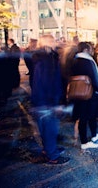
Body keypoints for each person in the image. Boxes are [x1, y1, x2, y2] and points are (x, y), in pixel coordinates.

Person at [30, 34, 69, 165]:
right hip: (47, 101)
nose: (56, 43)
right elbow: (50, 82)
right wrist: (55, 102)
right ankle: (53, 156)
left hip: (40, 99)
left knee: (45, 127)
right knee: (50, 128)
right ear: (48, 43)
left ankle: (48, 150)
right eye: (53, 41)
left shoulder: (41, 57)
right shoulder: (47, 60)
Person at [71, 42, 98, 149]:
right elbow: (94, 77)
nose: (92, 51)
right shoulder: (87, 61)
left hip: (78, 92)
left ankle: (92, 136)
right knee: (88, 116)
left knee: (84, 116)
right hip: (89, 93)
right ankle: (85, 142)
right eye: (91, 49)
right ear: (85, 50)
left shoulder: (74, 61)